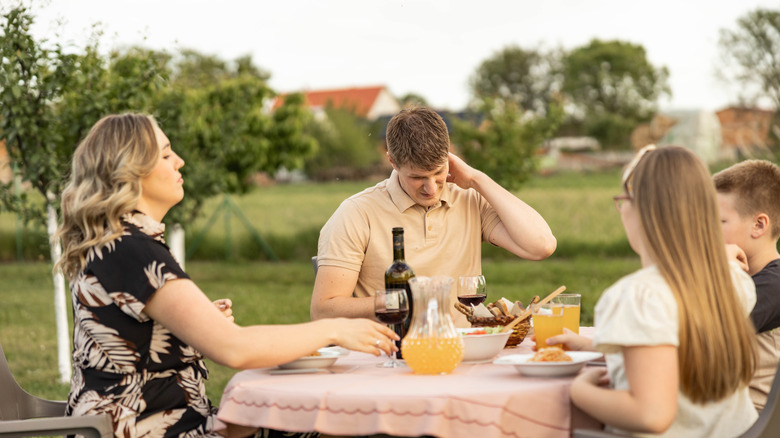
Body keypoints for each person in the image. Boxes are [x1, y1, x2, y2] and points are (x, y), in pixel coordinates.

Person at [55, 113, 398, 438]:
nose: (179, 162)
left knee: (300, 420)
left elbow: (133, 340)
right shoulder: (132, 250)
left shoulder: (120, 243)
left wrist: (198, 326)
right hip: (145, 429)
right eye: (165, 155)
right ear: (129, 171)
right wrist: (333, 329)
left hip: (149, 422)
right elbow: (235, 350)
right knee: (310, 422)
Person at [547, 145, 758, 437]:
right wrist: (600, 346)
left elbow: (651, 415)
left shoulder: (639, 295)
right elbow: (685, 341)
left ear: (640, 207)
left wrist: (579, 390)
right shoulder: (730, 280)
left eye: (622, 200)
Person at [310, 106, 556, 324]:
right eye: (417, 177)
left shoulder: (469, 198)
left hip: (465, 352)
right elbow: (324, 309)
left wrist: (476, 179)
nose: (431, 188)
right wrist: (401, 304)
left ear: (450, 156)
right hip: (392, 356)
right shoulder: (357, 213)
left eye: (438, 172)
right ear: (392, 162)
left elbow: (540, 247)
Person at [714, 159, 780, 411]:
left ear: (759, 225)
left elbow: (708, 334)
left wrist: (722, 266)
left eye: (718, 222)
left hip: (750, 423)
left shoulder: (774, 285)